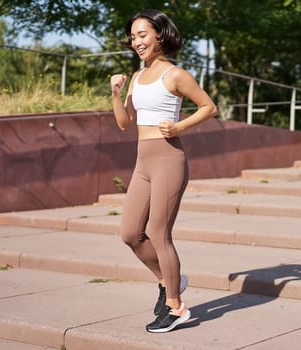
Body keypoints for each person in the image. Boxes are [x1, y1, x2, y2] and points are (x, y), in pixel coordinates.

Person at [109, 9, 217, 333]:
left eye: (142, 34)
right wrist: (116, 93)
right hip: (143, 160)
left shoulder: (174, 75)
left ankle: (176, 307)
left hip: (169, 158)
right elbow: (124, 122)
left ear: (159, 35)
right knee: (130, 233)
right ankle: (169, 279)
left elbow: (209, 107)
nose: (136, 41)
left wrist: (179, 126)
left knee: (158, 233)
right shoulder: (137, 78)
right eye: (132, 37)